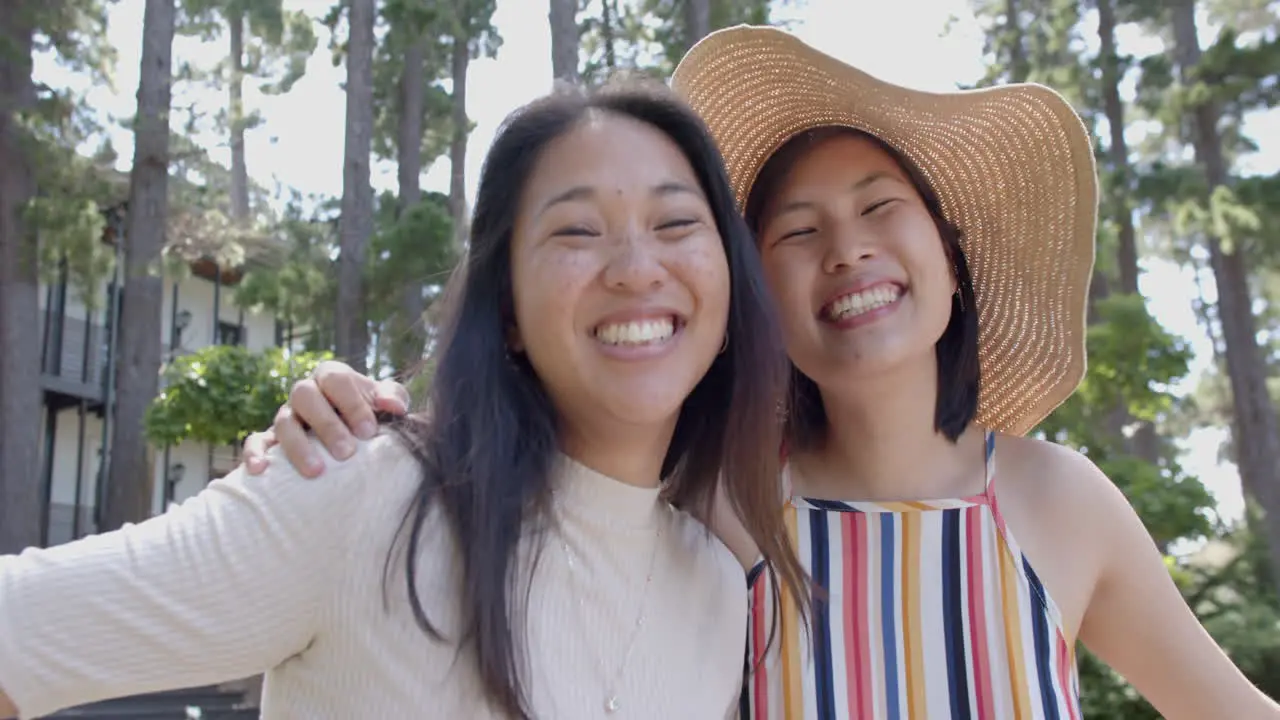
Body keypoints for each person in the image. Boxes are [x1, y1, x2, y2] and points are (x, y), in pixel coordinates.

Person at [249, 25, 1280, 720]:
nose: (846, 251)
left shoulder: (1057, 502)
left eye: (881, 209)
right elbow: (505, 470)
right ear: (755, 301)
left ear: (951, 262)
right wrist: (333, 435)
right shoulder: (713, 499)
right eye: (796, 230)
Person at [0, 78, 811, 720]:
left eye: (675, 223)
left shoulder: (714, 588)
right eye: (576, 232)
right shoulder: (366, 495)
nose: (636, 268)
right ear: (509, 315)